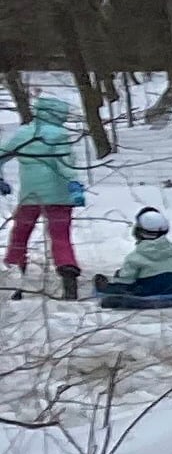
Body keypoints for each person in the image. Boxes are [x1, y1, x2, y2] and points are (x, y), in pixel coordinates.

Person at [3, 94, 86, 301]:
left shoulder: (24, 133)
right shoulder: (59, 135)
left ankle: (15, 279)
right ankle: (68, 275)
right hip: (59, 195)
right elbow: (65, 164)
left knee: (21, 233)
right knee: (60, 236)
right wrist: (75, 186)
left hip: (30, 195)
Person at [95, 207, 172, 302]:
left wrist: (117, 279)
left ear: (138, 232)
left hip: (144, 291)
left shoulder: (134, 259)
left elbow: (125, 283)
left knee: (119, 284)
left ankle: (105, 287)